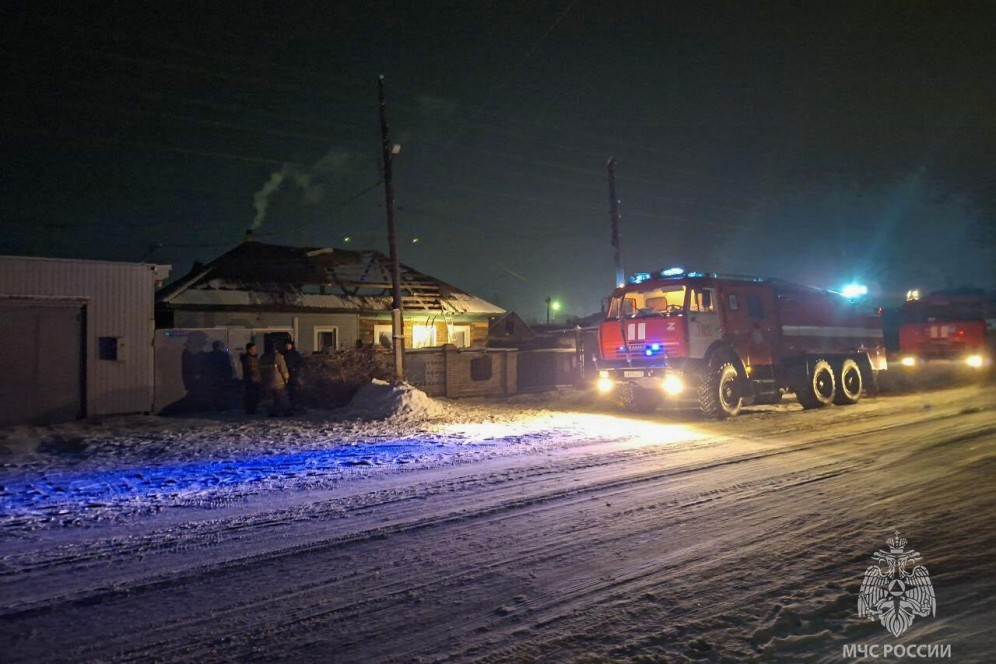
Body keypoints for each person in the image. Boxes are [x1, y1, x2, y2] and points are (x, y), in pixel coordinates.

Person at [260, 342, 292, 417]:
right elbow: (283, 369)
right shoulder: (278, 356)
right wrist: (286, 379)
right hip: (278, 382)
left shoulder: (263, 357)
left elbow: (260, 369)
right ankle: (287, 412)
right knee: (283, 397)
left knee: (271, 399)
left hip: (267, 382)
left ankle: (273, 412)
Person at [281, 338, 305, 413]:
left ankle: (294, 406)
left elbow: (301, 363)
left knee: (293, 392)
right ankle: (287, 407)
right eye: (286, 345)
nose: (287, 346)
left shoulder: (295, 354)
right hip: (284, 375)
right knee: (285, 392)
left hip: (293, 375)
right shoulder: (283, 354)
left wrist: (295, 368)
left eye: (289, 345)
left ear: (291, 345)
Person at [240, 342, 263, 415]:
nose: (256, 350)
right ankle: (251, 410)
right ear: (249, 350)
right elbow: (252, 369)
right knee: (251, 395)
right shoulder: (248, 359)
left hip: (255, 379)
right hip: (252, 379)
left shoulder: (253, 358)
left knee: (255, 395)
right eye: (254, 349)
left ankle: (252, 409)